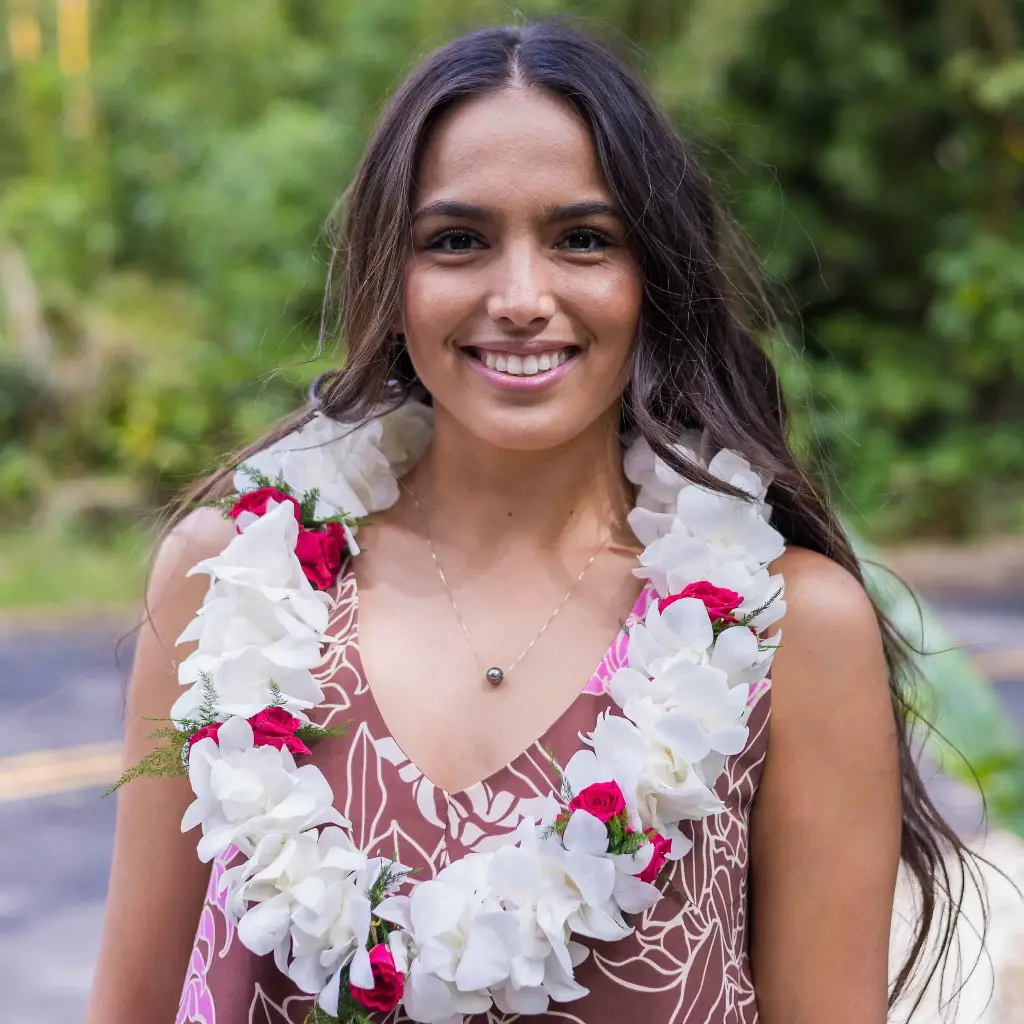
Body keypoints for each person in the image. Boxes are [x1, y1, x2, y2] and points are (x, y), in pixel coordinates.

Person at [86, 18, 974, 1024]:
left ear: (653, 277)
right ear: (391, 277)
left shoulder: (787, 631)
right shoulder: (228, 583)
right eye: (457, 241)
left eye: (582, 240)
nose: (519, 297)